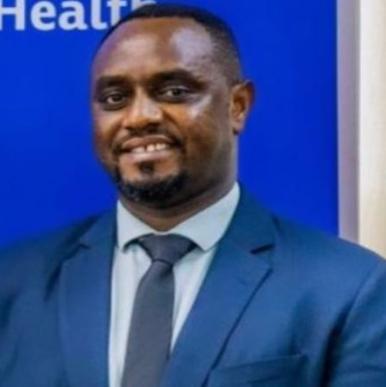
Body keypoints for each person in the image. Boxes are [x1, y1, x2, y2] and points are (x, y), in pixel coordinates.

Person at [1, 3, 386, 387]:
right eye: (115, 98)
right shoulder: (14, 282)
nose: (139, 117)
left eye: (173, 91)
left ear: (238, 106)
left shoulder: (350, 289)